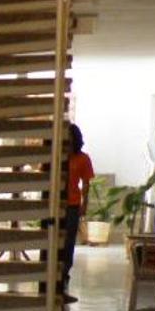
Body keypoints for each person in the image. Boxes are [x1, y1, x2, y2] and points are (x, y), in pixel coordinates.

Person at [61, 123, 93, 301]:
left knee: (68, 243)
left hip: (72, 204)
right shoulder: (59, 157)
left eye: (70, 138)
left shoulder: (82, 159)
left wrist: (84, 204)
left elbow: (86, 183)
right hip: (57, 204)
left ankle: (64, 276)